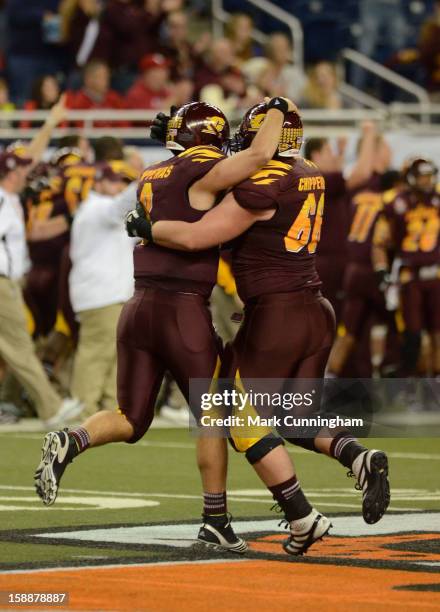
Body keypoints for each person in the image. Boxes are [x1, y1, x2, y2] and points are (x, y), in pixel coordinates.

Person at [34, 97, 300, 554]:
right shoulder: (205, 168)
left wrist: (179, 135)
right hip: (182, 309)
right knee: (213, 418)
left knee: (130, 418)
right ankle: (215, 519)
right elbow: (259, 156)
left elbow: (179, 181)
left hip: (136, 307)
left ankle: (72, 438)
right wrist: (277, 107)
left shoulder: (151, 173)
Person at [131, 101, 391, 534]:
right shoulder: (308, 169)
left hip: (278, 314)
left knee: (236, 416)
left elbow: (197, 236)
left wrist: (148, 228)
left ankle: (301, 516)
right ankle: (357, 455)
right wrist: (181, 143)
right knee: (293, 419)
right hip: (313, 309)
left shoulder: (263, 183)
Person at [0, 97, 82, 426]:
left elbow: (29, 158)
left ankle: (36, 403)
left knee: (19, 344)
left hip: (13, 280)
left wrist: (50, 124)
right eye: (19, 169)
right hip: (2, 281)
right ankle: (51, 407)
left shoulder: (11, 197)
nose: (26, 172)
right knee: (20, 344)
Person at [69, 162, 137, 419]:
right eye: (112, 181)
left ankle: (109, 410)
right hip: (101, 296)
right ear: (97, 182)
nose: (117, 186)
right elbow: (120, 206)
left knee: (113, 354)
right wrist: (147, 179)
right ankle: (83, 409)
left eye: (121, 182)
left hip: (112, 294)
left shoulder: (108, 213)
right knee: (96, 354)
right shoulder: (95, 208)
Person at [372, 158, 440, 379]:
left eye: (429, 176)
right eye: (422, 176)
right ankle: (415, 385)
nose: (427, 181)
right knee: (414, 336)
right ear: (411, 178)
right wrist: (381, 270)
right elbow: (380, 241)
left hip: (436, 274)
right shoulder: (396, 202)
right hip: (410, 276)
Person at [304, 123, 378, 324]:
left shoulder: (314, 179)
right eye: (329, 151)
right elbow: (361, 174)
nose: (334, 156)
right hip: (328, 263)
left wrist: (341, 153)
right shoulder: (321, 179)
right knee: (328, 323)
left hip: (321, 260)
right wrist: (369, 134)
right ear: (316, 156)